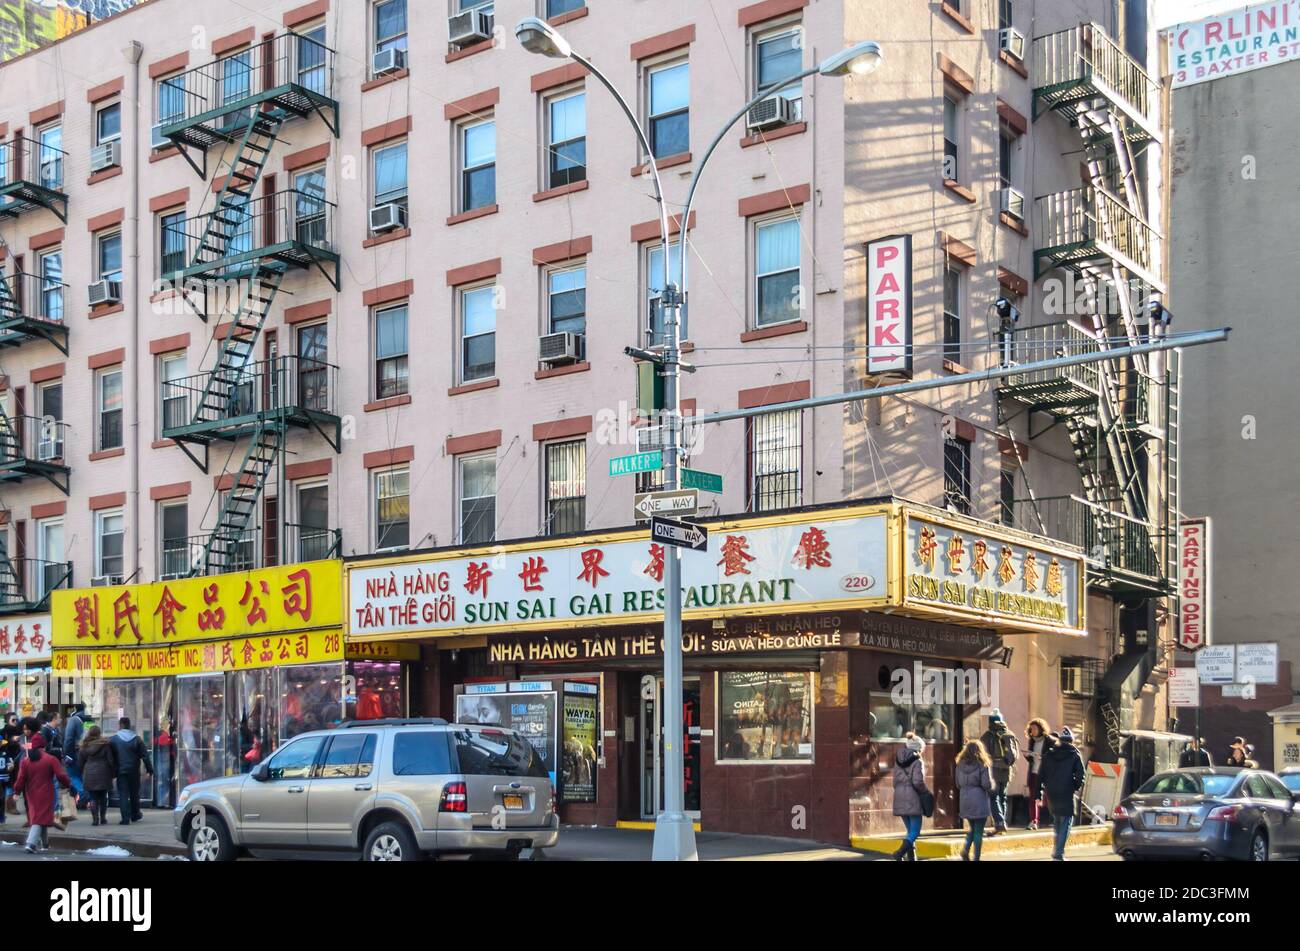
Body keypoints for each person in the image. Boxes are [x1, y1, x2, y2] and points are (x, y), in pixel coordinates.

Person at [13, 733, 70, 853]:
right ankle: (31, 844)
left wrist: (17, 791)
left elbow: (21, 778)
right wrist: (69, 785)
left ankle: (45, 844)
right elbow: (61, 775)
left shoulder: (26, 761)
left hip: (31, 794)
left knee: (40, 816)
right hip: (46, 793)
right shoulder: (51, 759)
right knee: (39, 819)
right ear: (44, 745)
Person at [1038, 726, 1085, 861]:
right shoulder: (1075, 754)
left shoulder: (1048, 755)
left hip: (1051, 793)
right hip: (1066, 793)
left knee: (1057, 822)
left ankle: (1057, 851)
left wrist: (1039, 793)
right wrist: (1074, 787)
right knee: (1066, 823)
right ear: (1071, 740)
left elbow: (1041, 775)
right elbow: (1081, 775)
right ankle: (1058, 853)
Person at [891, 732, 931, 861]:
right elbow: (918, 782)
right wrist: (926, 792)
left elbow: (894, 782)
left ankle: (912, 857)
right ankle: (899, 853)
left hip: (899, 797)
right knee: (915, 832)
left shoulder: (898, 760)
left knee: (910, 832)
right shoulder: (918, 761)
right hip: (913, 798)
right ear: (918, 748)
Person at [979, 709, 1019, 834]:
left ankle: (1000, 823)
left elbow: (982, 753)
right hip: (1007, 769)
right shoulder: (1010, 734)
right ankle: (1003, 823)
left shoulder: (987, 736)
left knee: (994, 797)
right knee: (1003, 797)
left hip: (993, 770)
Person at [109, 717, 154, 825]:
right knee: (134, 793)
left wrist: (111, 770)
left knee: (123, 794)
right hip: (134, 770)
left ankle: (125, 818)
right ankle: (135, 814)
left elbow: (110, 756)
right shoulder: (137, 739)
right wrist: (149, 770)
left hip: (121, 770)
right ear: (130, 726)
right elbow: (145, 756)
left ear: (120, 725)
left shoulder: (114, 739)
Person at [956, 739, 994, 861]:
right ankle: (976, 857)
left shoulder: (959, 765)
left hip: (965, 798)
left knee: (973, 828)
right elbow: (986, 784)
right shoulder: (982, 764)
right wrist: (992, 784)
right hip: (979, 799)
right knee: (978, 830)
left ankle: (966, 850)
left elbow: (957, 784)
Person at [76, 725, 117, 826]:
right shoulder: (105, 745)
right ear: (99, 733)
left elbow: (80, 762)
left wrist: (82, 772)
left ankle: (95, 819)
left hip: (89, 773)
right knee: (103, 796)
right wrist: (113, 773)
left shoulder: (84, 746)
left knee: (93, 797)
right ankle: (103, 818)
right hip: (104, 773)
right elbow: (110, 760)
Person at [1023, 718, 1053, 831]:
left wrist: (1043, 758)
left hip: (1046, 773)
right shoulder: (1032, 741)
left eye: (1035, 728)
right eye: (1031, 729)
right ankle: (1034, 821)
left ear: (1041, 729)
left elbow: (1053, 756)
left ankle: (1054, 818)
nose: (1033, 731)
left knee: (1049, 796)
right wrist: (1028, 757)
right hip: (1034, 772)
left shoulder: (1049, 740)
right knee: (1033, 797)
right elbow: (1032, 759)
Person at [62, 703, 87, 804]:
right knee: (80, 776)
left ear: (74, 708)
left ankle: (83, 795)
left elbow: (69, 739)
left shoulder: (74, 719)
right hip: (87, 753)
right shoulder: (88, 719)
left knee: (72, 776)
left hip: (74, 753)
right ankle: (82, 799)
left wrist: (67, 754)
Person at [154, 719, 175, 808]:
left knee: (161, 780)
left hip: (162, 759)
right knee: (164, 780)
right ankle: (164, 802)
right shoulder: (165, 736)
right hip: (165, 759)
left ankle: (162, 801)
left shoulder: (159, 735)